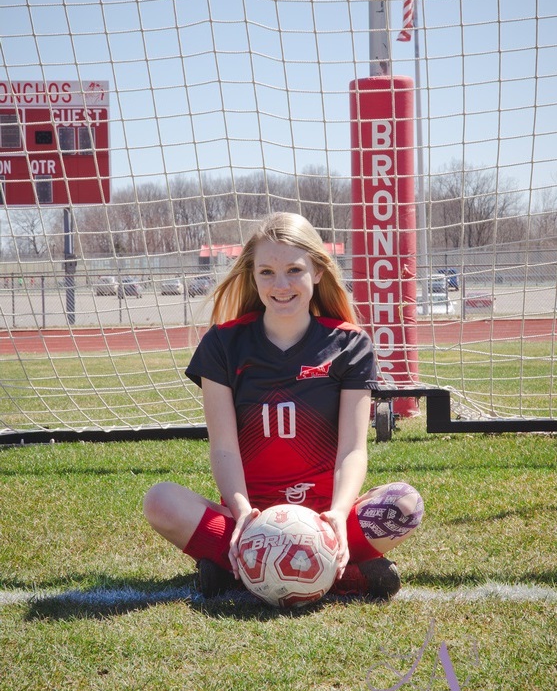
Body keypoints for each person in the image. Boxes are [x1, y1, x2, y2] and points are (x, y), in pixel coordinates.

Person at [143, 212, 423, 600]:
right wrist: (242, 512)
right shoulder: (222, 344)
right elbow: (223, 447)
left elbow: (352, 450)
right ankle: (336, 573)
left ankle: (240, 567)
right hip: (251, 517)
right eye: (267, 272)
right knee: (159, 501)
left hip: (325, 515)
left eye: (294, 270)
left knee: (405, 504)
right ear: (252, 276)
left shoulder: (350, 344)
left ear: (318, 271)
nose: (281, 285)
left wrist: (338, 513)